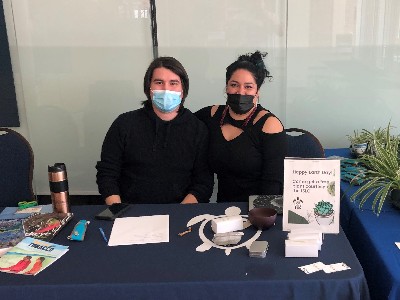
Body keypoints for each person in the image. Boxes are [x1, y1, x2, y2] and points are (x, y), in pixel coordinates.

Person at [96, 56, 213, 205]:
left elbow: (203, 183)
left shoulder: (198, 129)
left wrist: (179, 214)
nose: (166, 89)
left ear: (183, 90)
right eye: (159, 82)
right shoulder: (124, 124)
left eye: (173, 83)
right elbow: (107, 174)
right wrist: (118, 212)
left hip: (180, 212)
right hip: (129, 212)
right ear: (148, 88)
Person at [195, 51, 287, 202]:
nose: (240, 92)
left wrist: (259, 220)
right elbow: (182, 124)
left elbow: (273, 185)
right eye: (234, 85)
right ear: (226, 88)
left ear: (257, 92)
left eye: (248, 87)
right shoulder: (211, 115)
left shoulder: (269, 125)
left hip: (258, 212)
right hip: (222, 212)